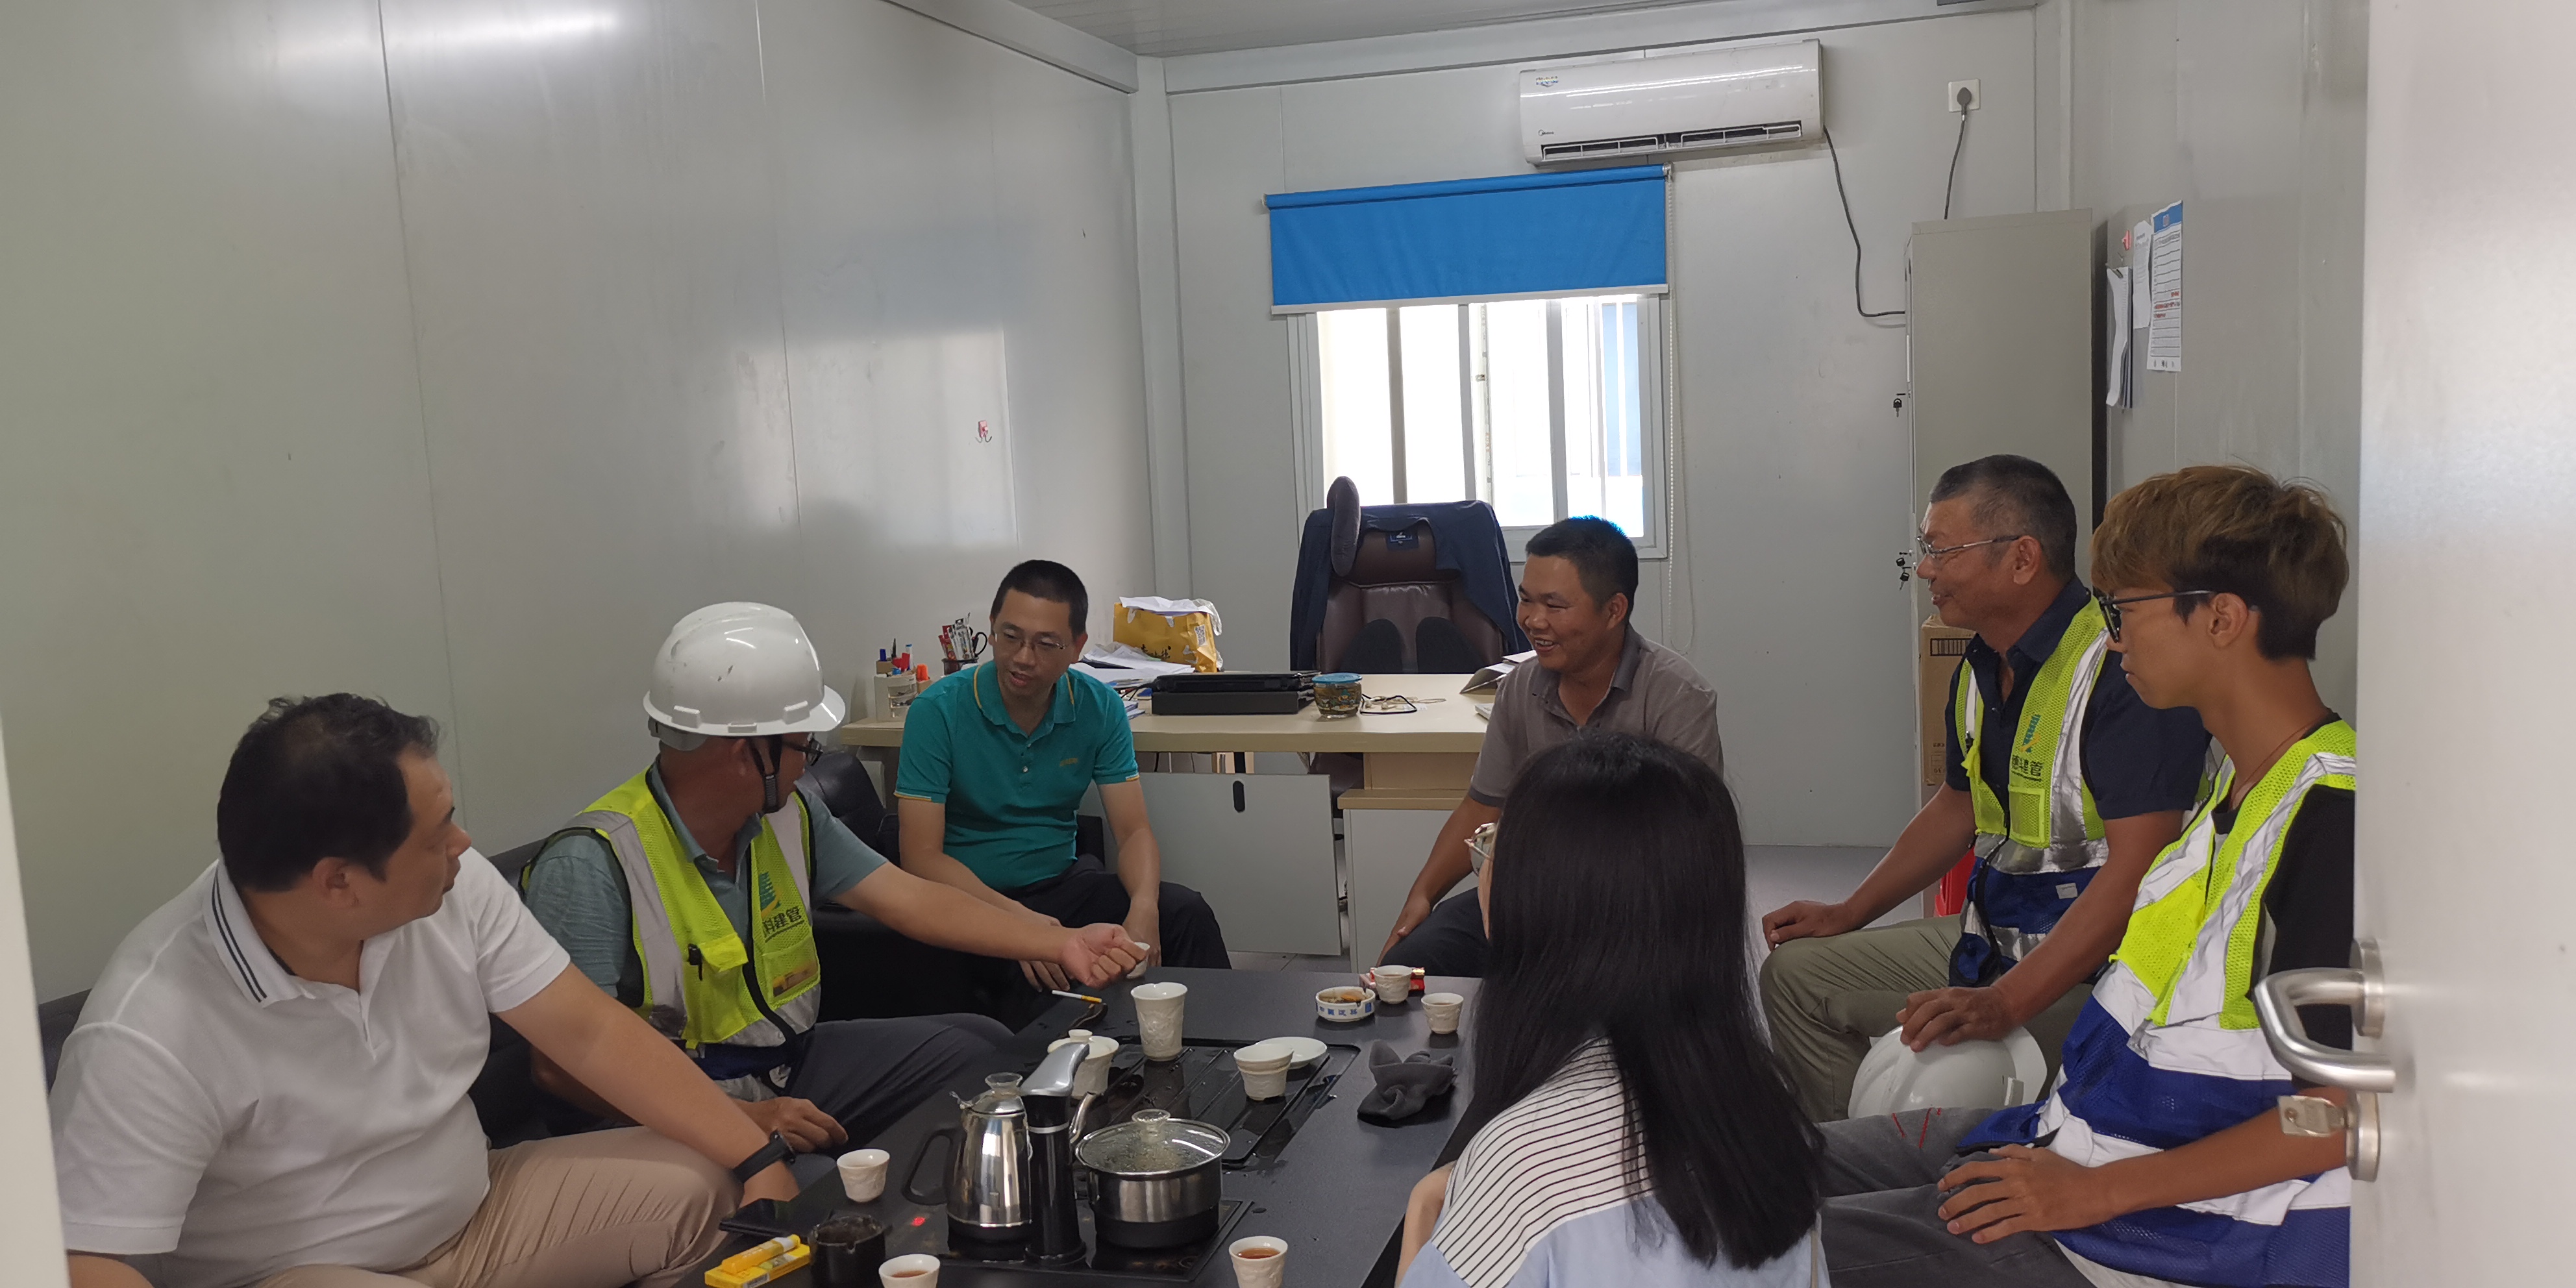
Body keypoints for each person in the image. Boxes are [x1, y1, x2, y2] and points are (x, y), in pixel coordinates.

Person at [51, 695, 802, 1288]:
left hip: (480, 1209)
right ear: (338, 882)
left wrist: (756, 1155)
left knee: (711, 1184)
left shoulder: (451, 888)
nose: (463, 845)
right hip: (301, 1269)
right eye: (438, 833)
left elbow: (589, 1031)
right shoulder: (148, 1027)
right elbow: (92, 1260)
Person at [1817, 464, 2356, 1288]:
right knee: (1762, 1169)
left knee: (1757, 1253)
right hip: (2078, 1142)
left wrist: (2092, 1192)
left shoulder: (2327, 818)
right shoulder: (2239, 789)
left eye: (2123, 610)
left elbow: (2335, 1116)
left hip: (2151, 1234)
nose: (2112, 639)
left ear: (2219, 618)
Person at [521, 602, 1143, 1154]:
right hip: (664, 1117)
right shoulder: (592, 864)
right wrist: (742, 1122)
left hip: (785, 1065)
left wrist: (1060, 941)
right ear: (746, 754)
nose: (808, 763)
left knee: (981, 1048)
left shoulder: (787, 814)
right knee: (774, 1187)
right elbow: (560, 1069)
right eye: (803, 747)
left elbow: (911, 900)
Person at [1760, 456, 2209, 1121]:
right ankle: (1848, 1160)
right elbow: (1958, 805)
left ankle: (1927, 1160)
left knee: (1948, 1069)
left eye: (1941, 550)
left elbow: (2136, 872)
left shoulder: (2120, 671)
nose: (1924, 569)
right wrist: (1848, 911)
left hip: (2107, 971)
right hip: (1995, 939)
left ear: (2022, 558)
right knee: (1797, 976)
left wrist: (2004, 1002)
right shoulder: (1980, 665)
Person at [1395, 732, 1824, 1287]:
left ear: (1533, 907)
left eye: (1496, 846)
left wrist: (1424, 1212)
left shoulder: (1522, 1163)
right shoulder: (1770, 1118)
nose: (1486, 866)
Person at [1378, 517, 1722, 978]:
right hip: (1533, 895)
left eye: (1555, 605)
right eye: (1526, 599)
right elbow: (1483, 805)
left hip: (1639, 906)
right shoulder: (1519, 688)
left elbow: (1689, 845)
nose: (1533, 621)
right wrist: (1421, 896)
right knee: (1413, 963)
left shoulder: (1678, 697)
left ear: (1614, 610)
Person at [895, 561, 1229, 986]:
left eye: (1046, 644)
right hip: (968, 902)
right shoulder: (937, 711)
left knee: (1184, 913)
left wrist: (1144, 908)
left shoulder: (1099, 708)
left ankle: (1215, 1030)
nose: (1023, 658)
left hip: (1061, 888)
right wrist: (1022, 926)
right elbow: (921, 857)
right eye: (1010, 637)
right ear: (992, 627)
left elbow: (1133, 831)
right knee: (1023, 988)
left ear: (1077, 647)